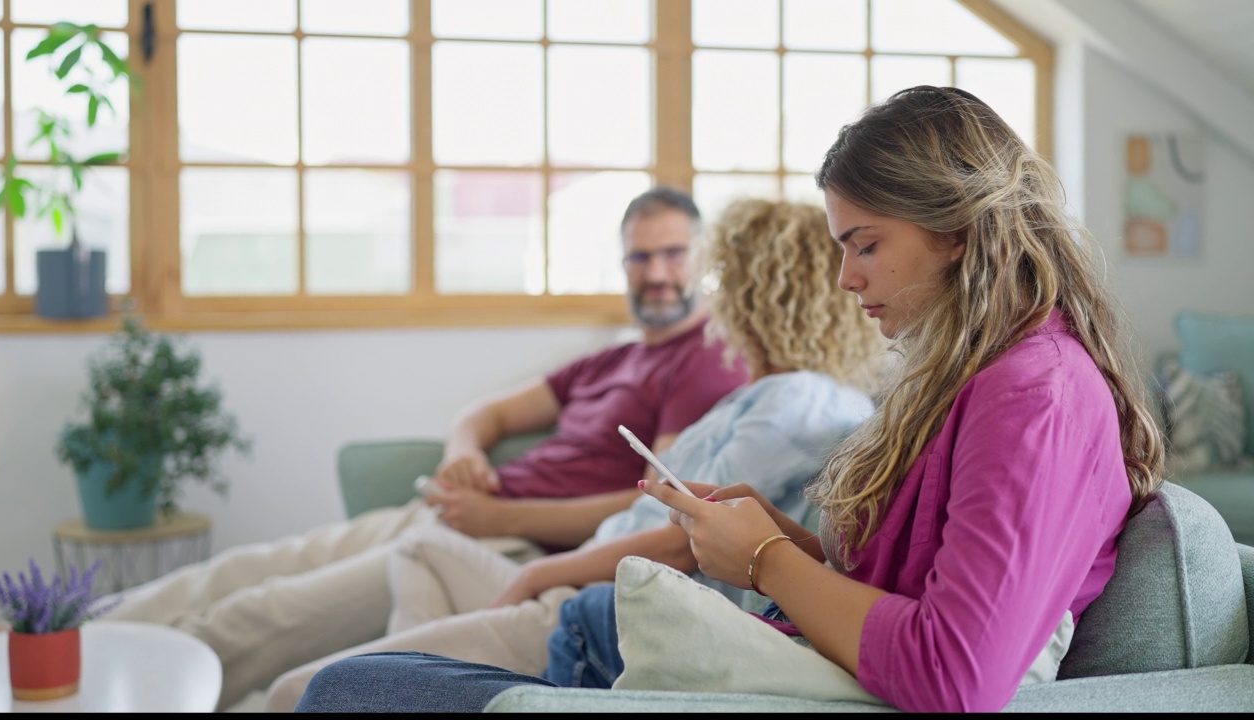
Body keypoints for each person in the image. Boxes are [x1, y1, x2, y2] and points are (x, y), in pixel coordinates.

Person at [291, 86, 1166, 714]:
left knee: (345, 689)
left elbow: (957, 675)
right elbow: (901, 590)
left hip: (776, 674)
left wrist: (765, 564)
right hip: (768, 654)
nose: (845, 277)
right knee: (358, 680)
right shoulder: (980, 376)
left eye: (865, 244)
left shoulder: (1035, 395)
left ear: (957, 230)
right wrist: (779, 537)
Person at [100, 185, 750, 711]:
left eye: (672, 254)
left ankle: (104, 683)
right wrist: (460, 455)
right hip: (453, 513)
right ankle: (65, 632)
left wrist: (502, 519)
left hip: (501, 542)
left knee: (261, 613)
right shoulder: (612, 359)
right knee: (245, 568)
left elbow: (649, 501)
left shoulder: (702, 365)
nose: (657, 273)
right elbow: (486, 414)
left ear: (702, 259)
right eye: (640, 257)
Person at [262, 197, 886, 711]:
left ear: (759, 295)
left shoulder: (796, 402)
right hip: (581, 577)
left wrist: (541, 572)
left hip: (596, 599)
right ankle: (416, 680)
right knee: (419, 552)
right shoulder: (757, 395)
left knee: (299, 691)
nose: (708, 296)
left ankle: (412, 680)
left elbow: (686, 535)